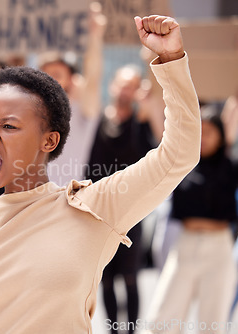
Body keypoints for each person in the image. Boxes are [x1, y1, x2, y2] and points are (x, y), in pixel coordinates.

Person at [0, 15, 201, 333]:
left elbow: (179, 153)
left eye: (8, 125)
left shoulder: (92, 208)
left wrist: (170, 61)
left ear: (49, 140)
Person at [144, 108, 237, 333]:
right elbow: (162, 137)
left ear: (221, 136)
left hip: (219, 248)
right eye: (200, 132)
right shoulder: (182, 164)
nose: (203, 137)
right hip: (185, 244)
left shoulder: (230, 167)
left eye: (210, 132)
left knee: (212, 322)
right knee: (162, 318)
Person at [86, 64, 156, 334]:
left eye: (133, 85)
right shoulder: (98, 121)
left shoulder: (140, 122)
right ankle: (114, 330)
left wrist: (145, 112)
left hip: (131, 210)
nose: (126, 90)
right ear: (113, 85)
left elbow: (153, 150)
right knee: (105, 277)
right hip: (100, 210)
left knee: (130, 276)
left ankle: (132, 331)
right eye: (123, 84)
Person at [42, 2, 106, 183]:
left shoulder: (81, 111)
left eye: (56, 74)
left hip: (62, 199)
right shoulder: (31, 111)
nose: (49, 79)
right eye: (44, 74)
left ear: (72, 80)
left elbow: (92, 78)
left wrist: (95, 34)